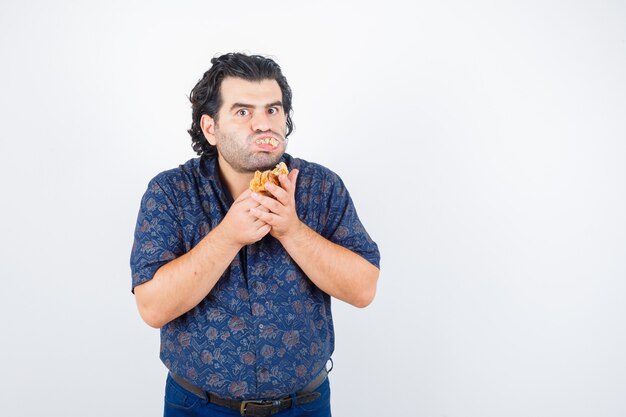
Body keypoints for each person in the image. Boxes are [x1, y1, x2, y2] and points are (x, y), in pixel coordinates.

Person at [130, 52, 380, 417]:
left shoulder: (322, 187)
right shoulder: (171, 193)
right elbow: (152, 308)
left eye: (273, 110)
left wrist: (292, 231)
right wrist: (228, 236)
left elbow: (364, 289)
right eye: (243, 112)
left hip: (304, 406)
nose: (263, 124)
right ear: (210, 128)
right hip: (199, 406)